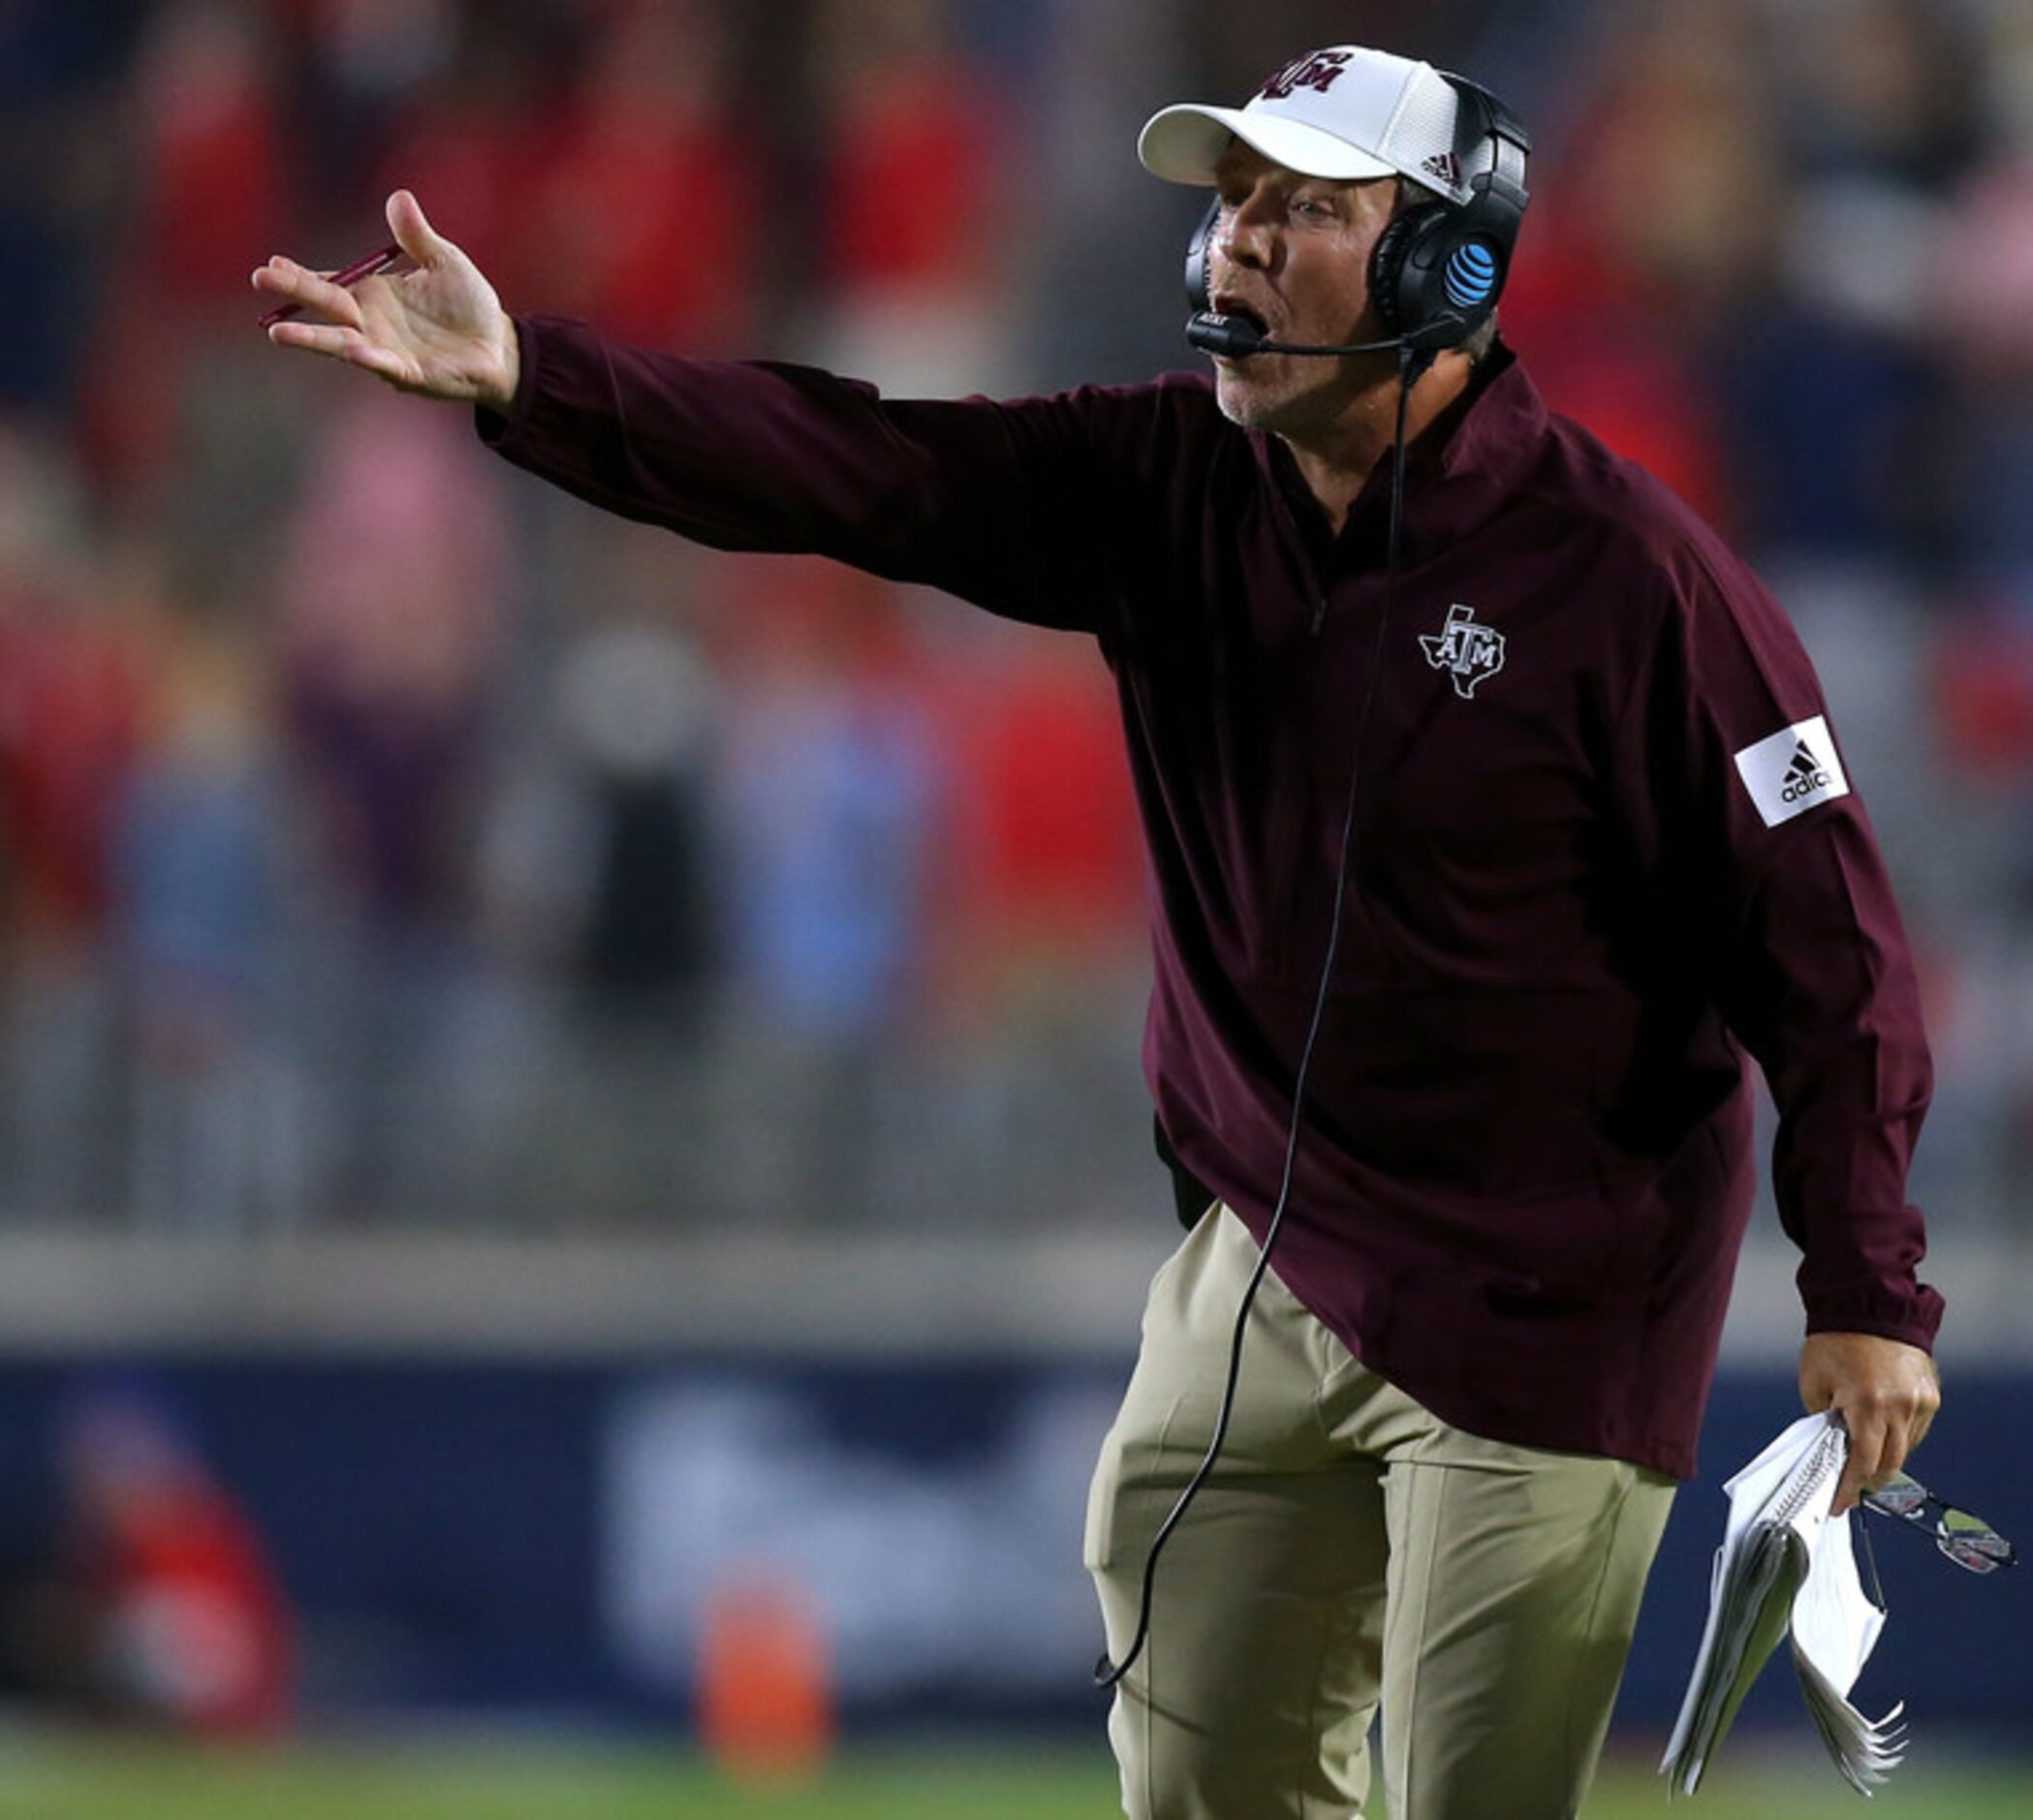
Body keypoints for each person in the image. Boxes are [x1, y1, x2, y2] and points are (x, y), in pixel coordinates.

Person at [252, 43, 1946, 1819]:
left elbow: (1829, 946)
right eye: (1230, 203)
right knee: (1197, 1789)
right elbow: (862, 467)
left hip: (1553, 1301)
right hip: (1272, 1261)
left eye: (1305, 208)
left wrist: (1866, 1282)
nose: (1236, 248)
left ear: (1451, 263)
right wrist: (533, 374)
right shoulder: (1169, 484)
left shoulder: (1638, 582)